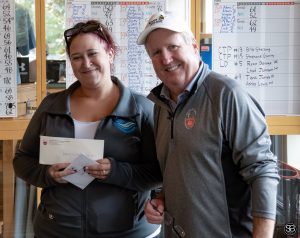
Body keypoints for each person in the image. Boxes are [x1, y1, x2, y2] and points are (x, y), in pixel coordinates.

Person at [13, 19, 162, 238]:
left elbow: (158, 173)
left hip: (127, 231)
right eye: (76, 57)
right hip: (57, 229)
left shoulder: (142, 109)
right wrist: (48, 174)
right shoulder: (50, 106)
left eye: (93, 53)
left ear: (110, 53)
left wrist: (116, 171)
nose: (86, 63)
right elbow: (22, 160)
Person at [137, 11, 280, 238]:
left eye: (173, 47)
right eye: (156, 52)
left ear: (193, 46)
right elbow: (185, 169)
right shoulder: (159, 104)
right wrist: (162, 199)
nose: (165, 58)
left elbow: (262, 170)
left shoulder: (227, 95)